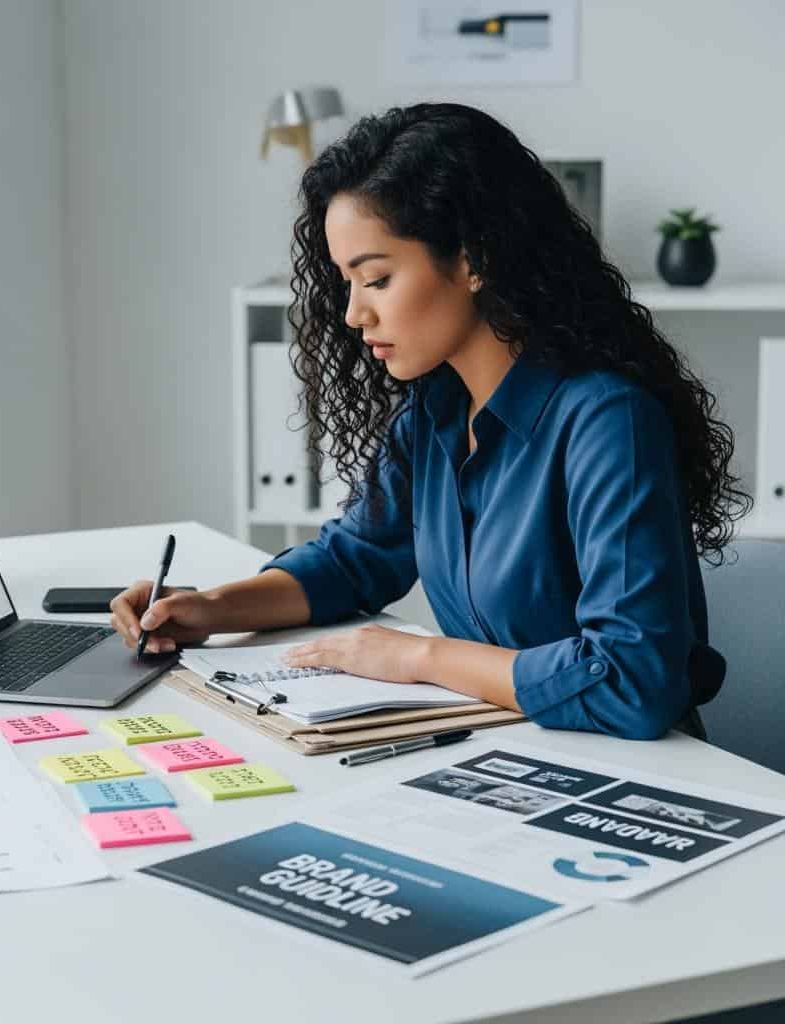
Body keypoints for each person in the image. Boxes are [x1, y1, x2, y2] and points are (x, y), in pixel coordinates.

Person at [111, 103, 749, 740]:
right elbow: (352, 560)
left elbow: (631, 682)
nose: (353, 314)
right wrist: (209, 609)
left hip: (637, 773)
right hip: (505, 744)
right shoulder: (434, 412)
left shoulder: (608, 421)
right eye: (346, 283)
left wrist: (418, 658)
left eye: (378, 279)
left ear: (474, 261)